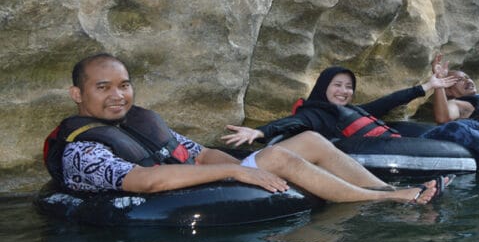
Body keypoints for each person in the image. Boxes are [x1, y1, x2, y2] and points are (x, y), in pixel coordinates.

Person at [44, 53, 443, 205]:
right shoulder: (83, 149)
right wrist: (238, 169)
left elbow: (197, 153)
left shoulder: (141, 120)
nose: (118, 95)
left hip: (201, 181)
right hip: (166, 200)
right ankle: (390, 200)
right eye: (103, 88)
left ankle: (382, 189)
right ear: (77, 94)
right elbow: (144, 182)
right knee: (276, 154)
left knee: (308, 140)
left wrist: (234, 162)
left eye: (124, 84)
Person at [222, 65, 479, 176]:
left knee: (471, 125)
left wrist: (426, 86)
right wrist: (259, 131)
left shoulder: (355, 109)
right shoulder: (316, 113)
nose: (345, 92)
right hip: (379, 150)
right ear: (323, 87)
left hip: (396, 138)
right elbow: (288, 124)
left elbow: (388, 101)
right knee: (459, 127)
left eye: (349, 87)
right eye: (338, 86)